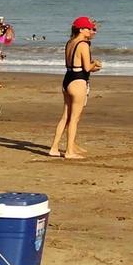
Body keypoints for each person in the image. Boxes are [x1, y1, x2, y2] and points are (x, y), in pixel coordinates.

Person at [50, 17, 100, 159]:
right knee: (74, 118)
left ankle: (54, 147)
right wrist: (96, 64)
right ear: (81, 29)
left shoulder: (70, 42)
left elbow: (74, 62)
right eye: (89, 28)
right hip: (78, 81)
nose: (91, 30)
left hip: (68, 79)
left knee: (66, 116)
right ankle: (69, 151)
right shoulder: (83, 44)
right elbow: (87, 67)